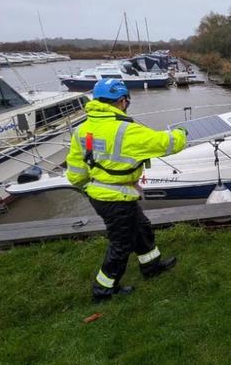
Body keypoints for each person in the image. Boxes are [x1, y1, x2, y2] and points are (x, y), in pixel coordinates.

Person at [66, 78, 188, 303]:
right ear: (122, 101)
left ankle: (151, 266)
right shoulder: (127, 130)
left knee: (141, 228)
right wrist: (182, 133)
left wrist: (89, 186)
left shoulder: (82, 130)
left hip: (101, 195)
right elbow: (167, 143)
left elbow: (75, 172)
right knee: (121, 244)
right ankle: (103, 290)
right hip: (117, 198)